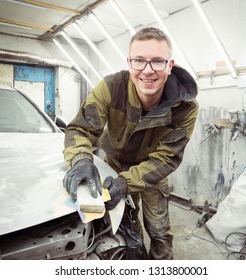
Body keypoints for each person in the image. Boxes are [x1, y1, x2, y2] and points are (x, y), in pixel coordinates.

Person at [63, 26, 199, 260]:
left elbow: (166, 159)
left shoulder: (185, 108)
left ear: (170, 65)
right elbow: (81, 129)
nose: (147, 71)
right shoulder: (111, 88)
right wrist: (81, 159)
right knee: (127, 224)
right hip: (114, 166)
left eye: (157, 61)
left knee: (159, 231)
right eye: (139, 61)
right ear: (129, 62)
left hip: (153, 173)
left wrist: (126, 184)